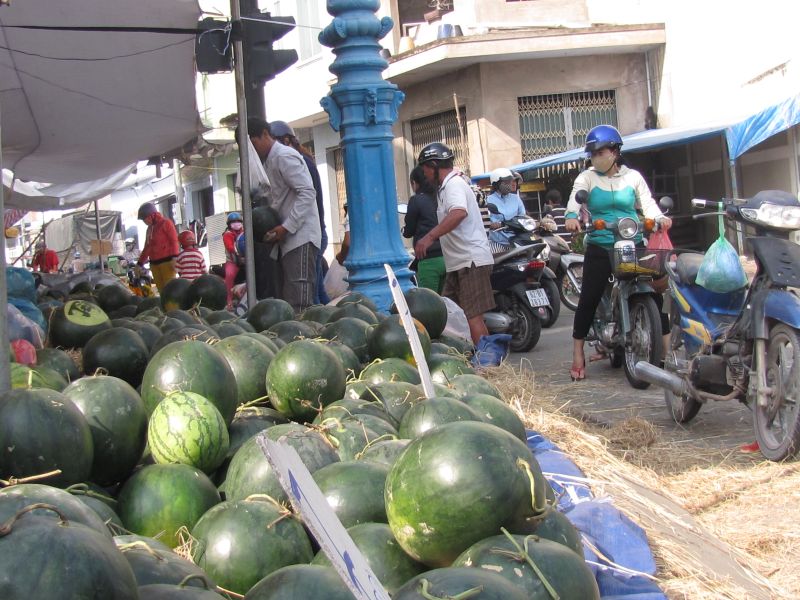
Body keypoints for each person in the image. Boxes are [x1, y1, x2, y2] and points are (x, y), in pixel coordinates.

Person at [564, 125, 672, 381]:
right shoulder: (587, 178)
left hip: (631, 241)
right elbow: (574, 201)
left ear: (614, 151)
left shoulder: (633, 177)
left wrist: (659, 218)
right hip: (601, 243)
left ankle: (665, 354)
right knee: (589, 297)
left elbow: (648, 203)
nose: (596, 157)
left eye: (600, 152)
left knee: (655, 294)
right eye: (592, 154)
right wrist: (571, 217)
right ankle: (578, 352)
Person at [414, 142, 494, 345]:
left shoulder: (454, 185)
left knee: (472, 315)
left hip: (470, 261)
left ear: (433, 166)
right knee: (447, 312)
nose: (424, 174)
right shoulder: (445, 188)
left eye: (425, 169)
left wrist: (429, 237)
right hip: (458, 263)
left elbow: (458, 212)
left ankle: (489, 364)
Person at [247, 117, 320, 313]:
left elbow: (307, 192)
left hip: (300, 238)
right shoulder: (268, 161)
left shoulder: (283, 156)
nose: (252, 150)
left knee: (300, 303)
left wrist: (286, 227)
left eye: (253, 143)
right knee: (287, 303)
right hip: (286, 242)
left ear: (264, 134)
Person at [270, 120, 330, 305]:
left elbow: (307, 195)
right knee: (316, 291)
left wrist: (288, 225)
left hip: (307, 234)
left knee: (310, 296)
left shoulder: (294, 160)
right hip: (314, 232)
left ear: (286, 140)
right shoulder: (301, 160)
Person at [403, 165, 446, 293]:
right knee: (448, 302)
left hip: (428, 259)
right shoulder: (440, 197)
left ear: (415, 183)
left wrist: (405, 230)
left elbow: (408, 231)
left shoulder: (416, 200)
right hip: (447, 257)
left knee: (430, 303)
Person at [137, 202, 179, 293]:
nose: (144, 222)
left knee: (170, 290)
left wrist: (175, 258)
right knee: (161, 291)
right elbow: (147, 248)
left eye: (145, 219)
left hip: (167, 263)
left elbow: (174, 241)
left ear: (153, 215)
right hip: (154, 264)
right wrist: (139, 264)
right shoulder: (149, 229)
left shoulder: (166, 223)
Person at [485, 167, 526, 245]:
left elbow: (522, 216)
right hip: (498, 243)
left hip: (517, 240)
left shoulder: (516, 199)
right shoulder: (488, 200)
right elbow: (484, 222)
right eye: (506, 182)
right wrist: (492, 225)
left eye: (511, 181)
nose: (510, 184)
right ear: (497, 184)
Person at [222, 212, 244, 308]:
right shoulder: (227, 234)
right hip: (233, 261)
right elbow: (230, 247)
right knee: (229, 276)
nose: (236, 223)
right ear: (229, 224)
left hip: (245, 260)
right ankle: (229, 300)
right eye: (233, 222)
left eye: (238, 221)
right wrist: (238, 255)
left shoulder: (244, 232)